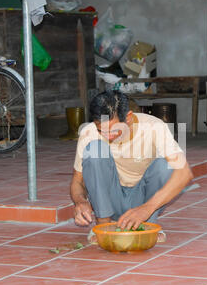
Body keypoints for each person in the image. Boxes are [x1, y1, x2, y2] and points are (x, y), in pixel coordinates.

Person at [70, 91, 193, 241]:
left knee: (167, 164)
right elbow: (77, 181)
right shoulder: (89, 133)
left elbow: (185, 173)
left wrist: (146, 209)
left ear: (128, 118)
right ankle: (103, 227)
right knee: (95, 149)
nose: (108, 136)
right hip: (110, 199)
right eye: (101, 130)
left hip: (144, 199)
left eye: (114, 130)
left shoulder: (154, 127)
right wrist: (80, 201)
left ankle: (148, 225)